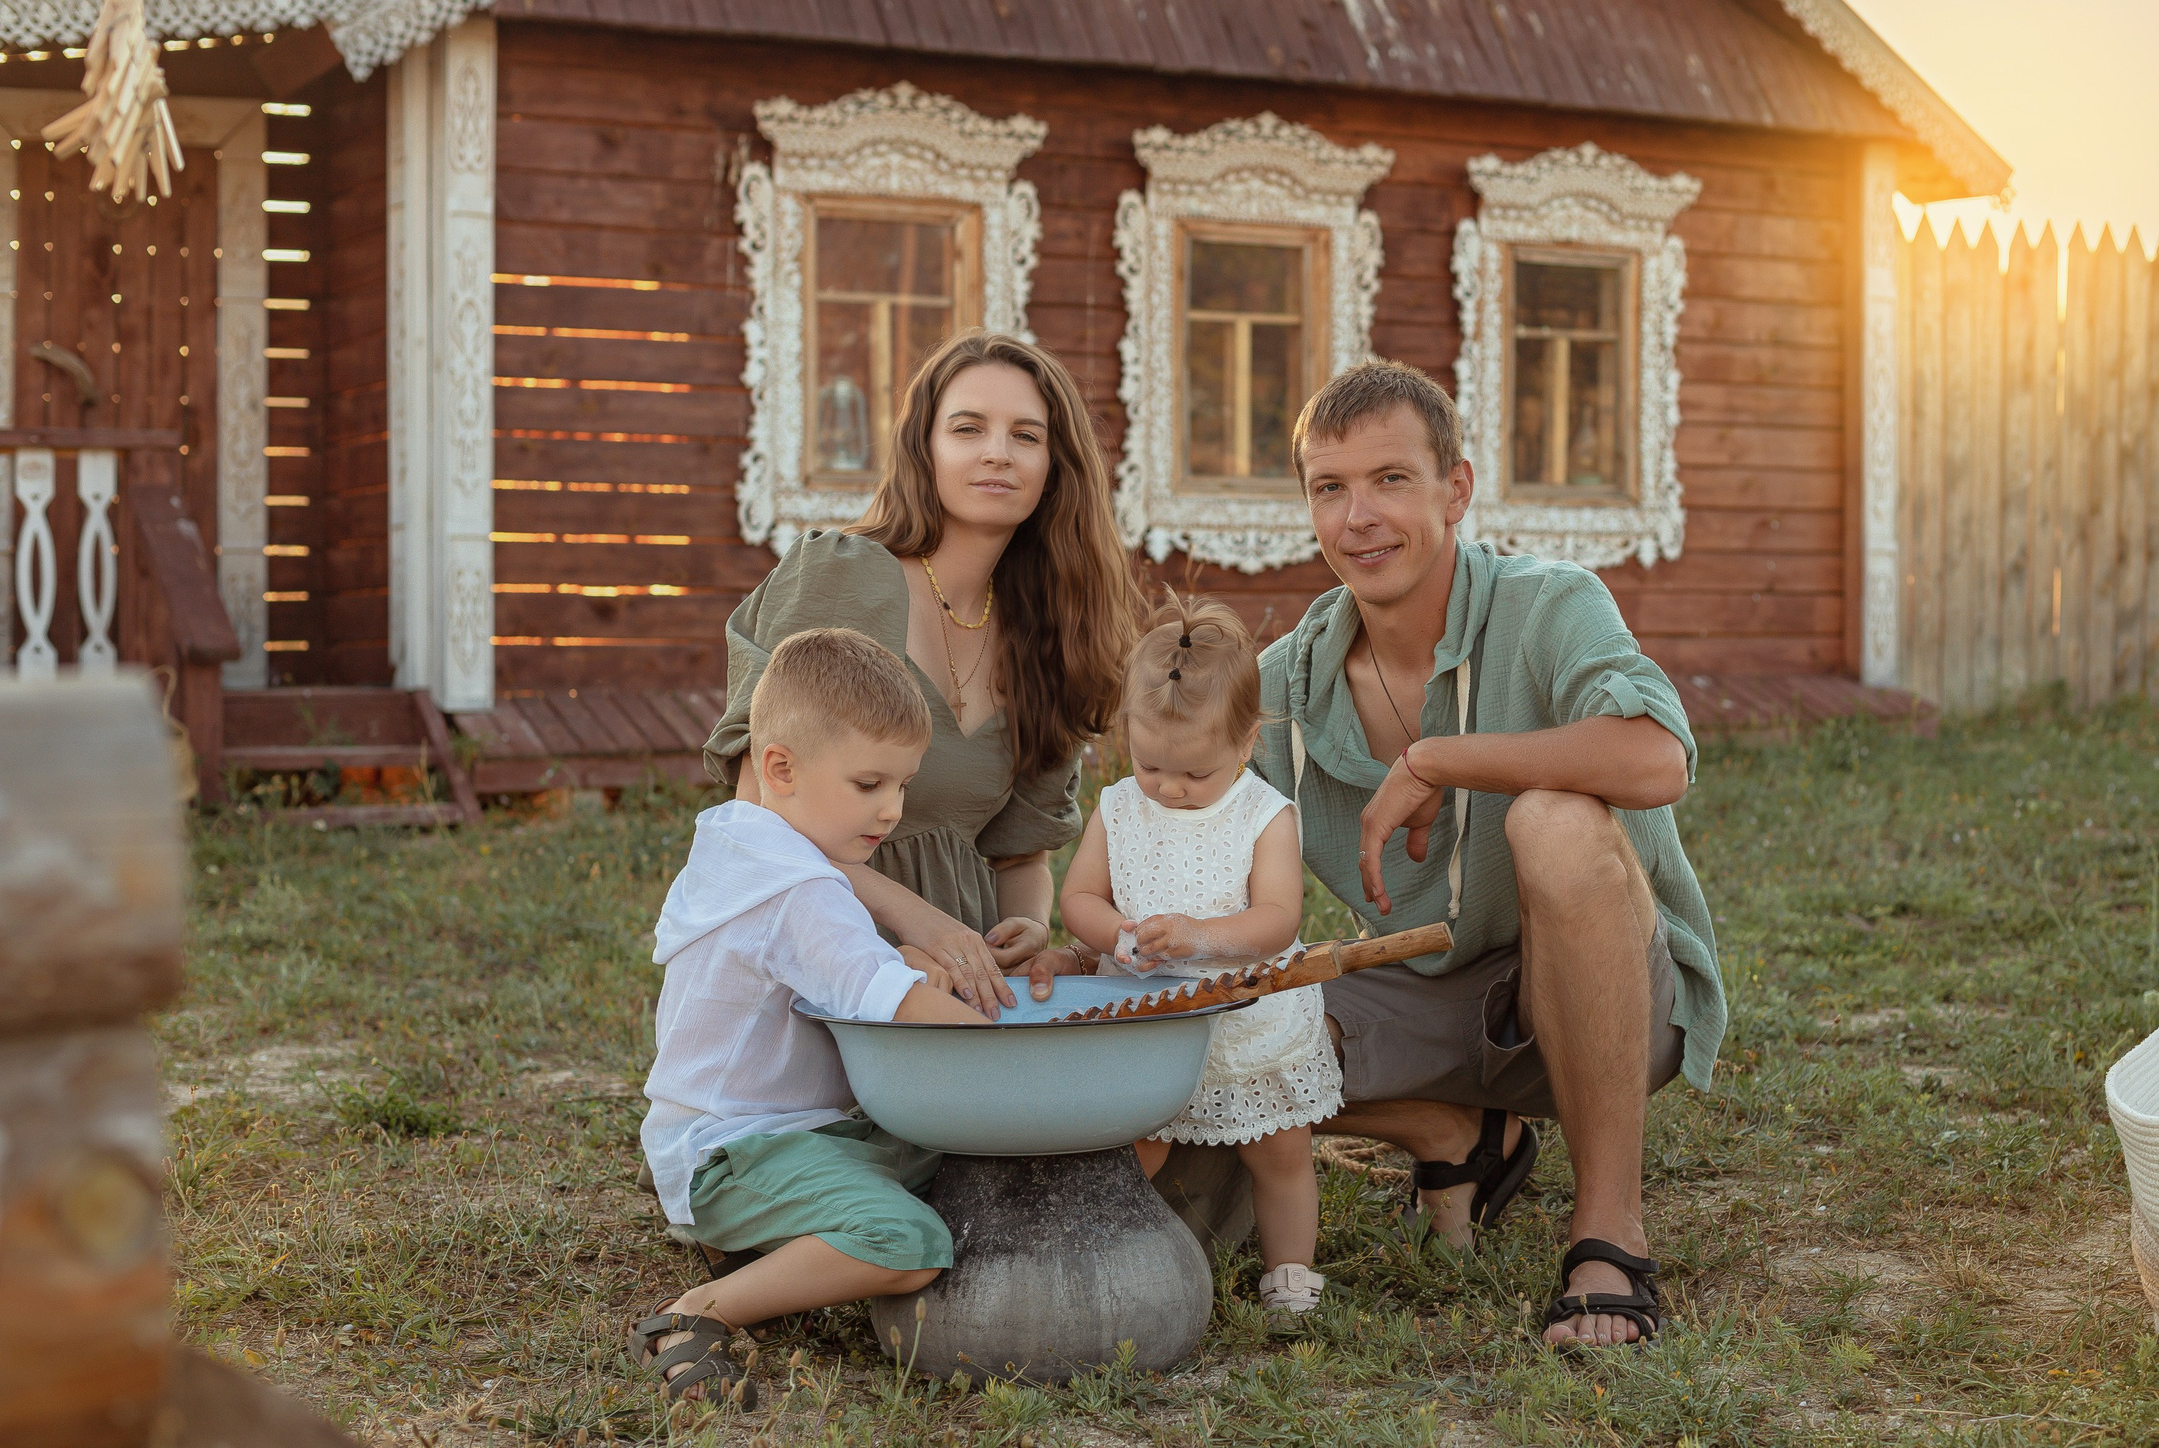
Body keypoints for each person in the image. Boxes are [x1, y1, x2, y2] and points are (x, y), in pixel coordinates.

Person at [1253, 359, 1724, 1350]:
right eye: (1328, 489)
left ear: (1455, 488)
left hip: (1605, 1005)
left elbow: (1655, 757)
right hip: (1423, 994)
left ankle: (1607, 1231)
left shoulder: (1550, 603)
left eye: (1390, 479)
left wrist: (1444, 756)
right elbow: (1197, 837)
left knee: (1551, 821)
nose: (1358, 519)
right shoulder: (1284, 684)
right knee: (1215, 1050)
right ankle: (1454, 1133)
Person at [706, 331, 1143, 1015]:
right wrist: (916, 919)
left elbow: (1020, 855)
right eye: (968, 428)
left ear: (1056, 466)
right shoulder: (842, 576)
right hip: (813, 966)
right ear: (924, 449)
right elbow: (760, 809)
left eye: (1026, 435)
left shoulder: (1052, 636)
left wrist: (1022, 930)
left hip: (955, 990)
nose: (998, 451)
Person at [635, 628, 992, 1409]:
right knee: (914, 1239)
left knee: (966, 1156)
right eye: (869, 784)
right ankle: (693, 1314)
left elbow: (836, 971)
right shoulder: (798, 887)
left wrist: (909, 967)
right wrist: (1008, 1050)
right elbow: (878, 994)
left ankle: (773, 1247)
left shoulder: (744, 840)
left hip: (786, 1131)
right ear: (780, 768)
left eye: (903, 784)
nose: (892, 809)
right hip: (734, 1153)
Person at [1058, 594, 1342, 1322]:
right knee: (1135, 1145)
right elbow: (1079, 899)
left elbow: (1278, 919)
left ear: (1245, 743)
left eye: (1194, 773)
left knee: (1279, 1152)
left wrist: (1199, 935)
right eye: (1151, 764)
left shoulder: (1263, 813)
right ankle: (1117, 1256)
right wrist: (1119, 933)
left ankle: (1289, 1273)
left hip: (1250, 1018)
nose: (1170, 788)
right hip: (1151, 1017)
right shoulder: (1120, 807)